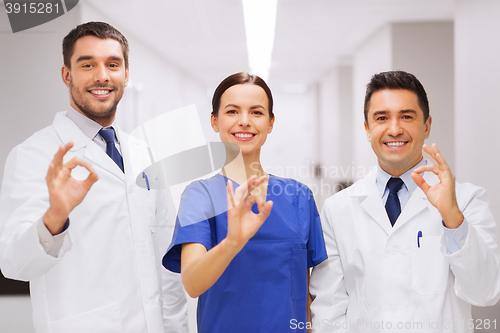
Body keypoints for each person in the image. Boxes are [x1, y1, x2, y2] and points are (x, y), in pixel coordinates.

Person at [0, 22, 188, 333]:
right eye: (87, 64)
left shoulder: (144, 154)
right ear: (67, 75)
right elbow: (14, 263)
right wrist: (55, 217)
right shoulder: (33, 154)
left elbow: (165, 258)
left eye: (112, 64)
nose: (102, 75)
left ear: (126, 75)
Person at [310, 70, 500, 332]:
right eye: (382, 118)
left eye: (406, 116)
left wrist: (453, 219)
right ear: (367, 129)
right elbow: (328, 309)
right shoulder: (337, 209)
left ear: (427, 126)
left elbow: (486, 292)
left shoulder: (467, 200)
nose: (395, 129)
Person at [162, 72, 328, 332]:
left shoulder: (299, 197)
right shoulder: (200, 196)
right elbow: (192, 283)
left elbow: (306, 293)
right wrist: (232, 242)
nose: (244, 121)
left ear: (271, 123)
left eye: (256, 112)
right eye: (232, 111)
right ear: (214, 121)